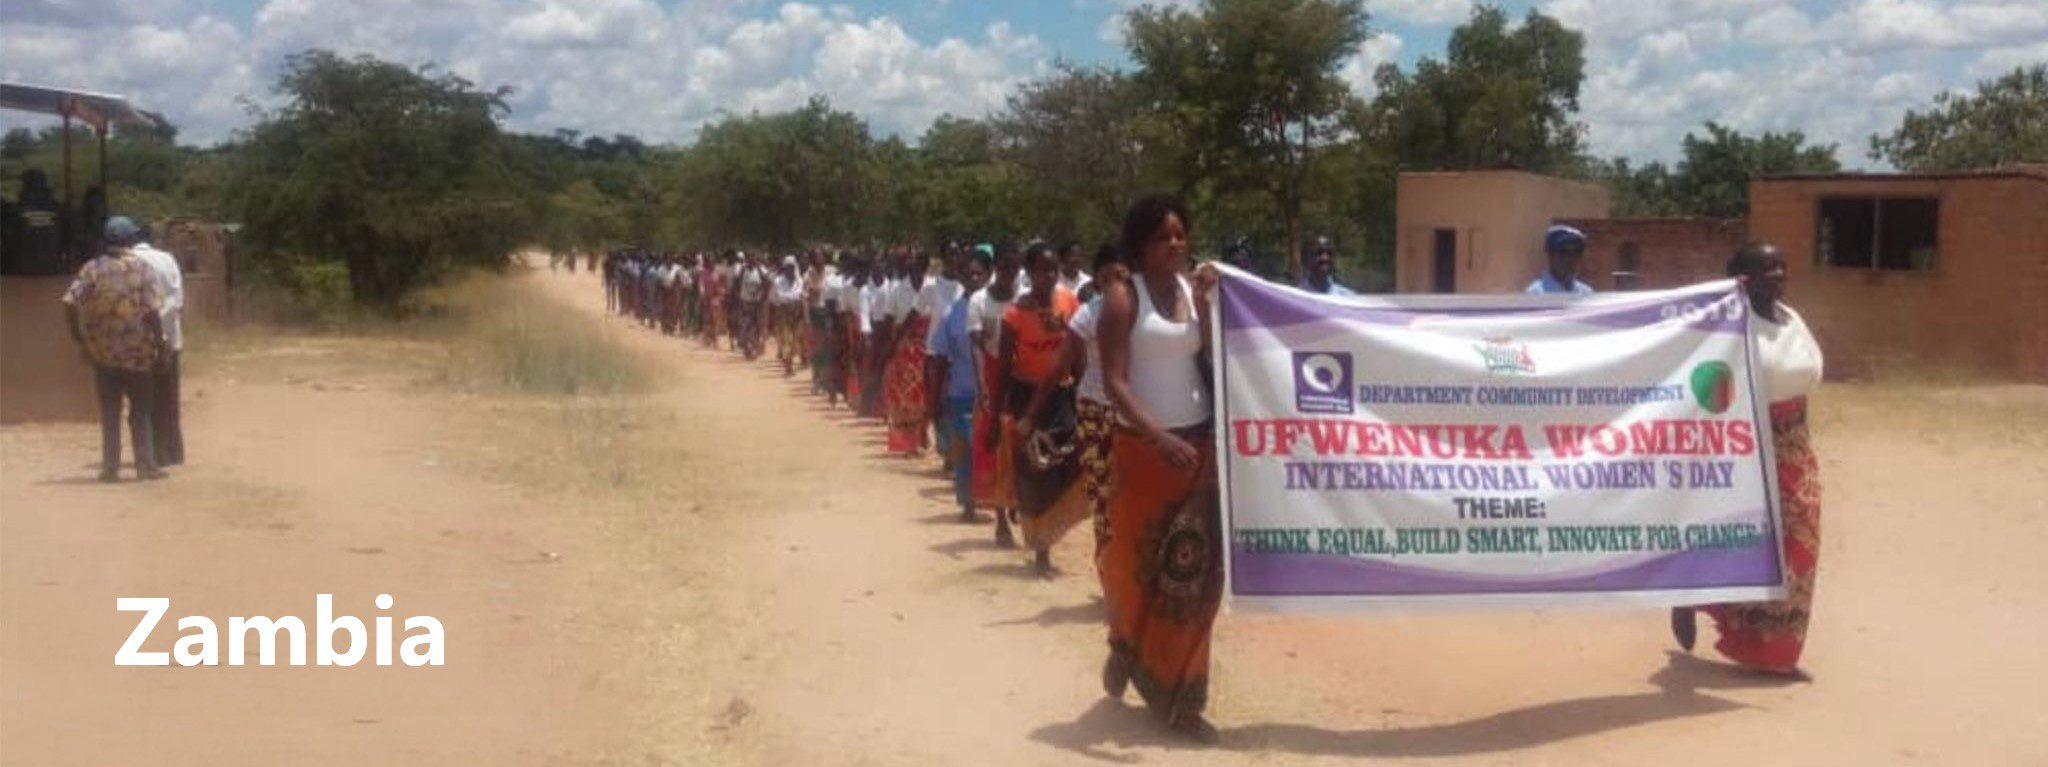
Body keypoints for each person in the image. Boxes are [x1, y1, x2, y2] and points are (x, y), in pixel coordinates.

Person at [1097, 194, 1221, 743]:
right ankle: (1126, 645)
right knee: (1139, 567)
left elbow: (1214, 356)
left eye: (1180, 235)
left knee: (1197, 578)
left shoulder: (1194, 296)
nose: (1175, 245)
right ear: (1141, 246)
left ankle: (1185, 701)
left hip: (1198, 450)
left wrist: (1215, 299)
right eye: (1163, 238)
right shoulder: (1125, 297)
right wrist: (1158, 435)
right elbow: (1115, 382)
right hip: (1145, 453)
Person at [1672, 242, 1825, 675]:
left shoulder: (1791, 318)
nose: (1778, 274)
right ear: (1742, 279)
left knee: (1800, 542)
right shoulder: (1728, 326)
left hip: (1795, 442)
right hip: (1746, 446)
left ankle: (1777, 649)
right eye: (1767, 268)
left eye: (1782, 266)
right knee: (1737, 537)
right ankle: (1689, 594)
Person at [1027, 245, 1128, 572]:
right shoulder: (1088, 314)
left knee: (1130, 491)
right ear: (1097, 281)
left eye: (1121, 275)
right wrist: (1030, 416)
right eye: (1107, 277)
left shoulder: (1144, 312)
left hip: (1135, 414)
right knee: (1101, 492)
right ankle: (1108, 565)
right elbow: (1061, 367)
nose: (1114, 282)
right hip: (1096, 412)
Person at [990, 243, 1084, 574]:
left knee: (1066, 462)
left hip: (1061, 395)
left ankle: (1050, 523)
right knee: (1033, 468)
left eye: (1052, 270)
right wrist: (994, 415)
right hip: (1026, 396)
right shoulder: (1014, 315)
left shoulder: (1070, 304)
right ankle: (1041, 545)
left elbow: (1081, 353)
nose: (1048, 276)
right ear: (1028, 274)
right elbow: (1003, 367)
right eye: (1041, 270)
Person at [63, 217, 168, 482]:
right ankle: (146, 465)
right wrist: (161, 344)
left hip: (103, 353)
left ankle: (110, 468)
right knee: (141, 410)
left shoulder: (92, 269)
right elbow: (154, 311)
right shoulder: (143, 269)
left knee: (110, 412)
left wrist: (80, 338)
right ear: (130, 240)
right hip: (139, 352)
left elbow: (69, 302)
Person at [929, 254, 991, 523]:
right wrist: (935, 398)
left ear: (987, 275)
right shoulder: (950, 314)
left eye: (979, 274)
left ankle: (998, 501)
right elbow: (940, 358)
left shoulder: (997, 308)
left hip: (992, 391)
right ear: (961, 278)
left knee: (992, 449)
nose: (974, 279)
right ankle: (968, 503)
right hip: (960, 392)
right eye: (969, 274)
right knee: (964, 449)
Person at [969, 246, 1023, 525]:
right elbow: (977, 345)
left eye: (1013, 270)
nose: (1008, 275)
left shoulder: (1023, 300)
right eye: (1004, 269)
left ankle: (1016, 500)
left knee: (1019, 441)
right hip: (991, 371)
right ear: (995, 270)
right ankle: (1000, 515)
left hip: (1021, 375)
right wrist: (982, 386)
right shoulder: (979, 301)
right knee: (995, 443)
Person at [132, 231, 186, 467]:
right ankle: (173, 452)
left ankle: (153, 453)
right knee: (169, 397)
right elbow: (177, 299)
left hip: (140, 341)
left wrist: (150, 322)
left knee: (144, 399)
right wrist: (162, 320)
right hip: (170, 338)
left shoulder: (127, 262)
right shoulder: (167, 259)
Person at [884, 250, 935, 454]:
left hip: (929, 346)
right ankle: (907, 442)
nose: (916, 268)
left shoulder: (933, 286)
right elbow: (889, 318)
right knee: (907, 396)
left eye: (920, 264)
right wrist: (891, 345)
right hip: (905, 348)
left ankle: (924, 430)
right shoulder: (897, 289)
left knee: (928, 391)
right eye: (912, 264)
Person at [921, 246, 966, 465]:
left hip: (958, 355)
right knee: (937, 402)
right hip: (935, 351)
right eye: (951, 255)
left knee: (953, 403)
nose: (954, 259)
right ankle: (945, 447)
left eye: (958, 255)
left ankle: (954, 451)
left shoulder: (966, 286)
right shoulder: (931, 286)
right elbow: (917, 311)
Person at [1526, 225, 1595, 295]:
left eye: (1577, 252)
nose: (1571, 258)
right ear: (1551, 255)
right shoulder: (1536, 293)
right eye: (1564, 252)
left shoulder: (1586, 293)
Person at [772, 256, 805, 376]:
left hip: (797, 312)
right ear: (784, 268)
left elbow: (801, 294)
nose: (790, 269)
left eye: (792, 267)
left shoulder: (799, 280)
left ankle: (790, 359)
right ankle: (788, 365)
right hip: (784, 312)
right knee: (787, 340)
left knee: (796, 341)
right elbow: (779, 296)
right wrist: (792, 298)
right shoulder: (778, 281)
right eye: (788, 267)